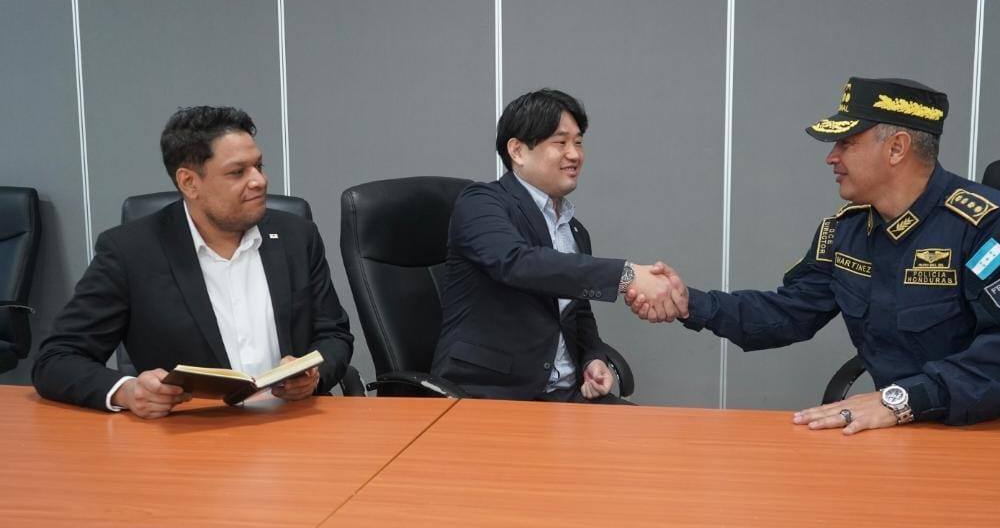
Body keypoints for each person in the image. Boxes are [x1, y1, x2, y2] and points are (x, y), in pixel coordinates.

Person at [628, 77, 1000, 432]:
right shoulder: (847, 231)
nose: (831, 158)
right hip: (910, 429)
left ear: (896, 148)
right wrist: (689, 302)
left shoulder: (990, 228)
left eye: (846, 143)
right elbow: (788, 313)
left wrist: (901, 399)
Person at [33, 106, 353, 418]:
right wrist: (127, 391)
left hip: (291, 424)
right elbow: (56, 359)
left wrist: (313, 375)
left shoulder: (296, 236)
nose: (259, 180)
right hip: (193, 433)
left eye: (259, 166)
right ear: (189, 183)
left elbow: (334, 334)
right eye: (237, 172)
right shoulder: (130, 252)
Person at [430, 88, 680, 402]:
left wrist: (592, 358)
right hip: (489, 394)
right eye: (560, 143)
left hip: (564, 396)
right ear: (517, 151)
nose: (574, 155)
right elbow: (518, 263)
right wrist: (626, 275)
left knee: (655, 430)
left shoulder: (574, 229)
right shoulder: (480, 203)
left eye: (578, 142)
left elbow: (579, 312)